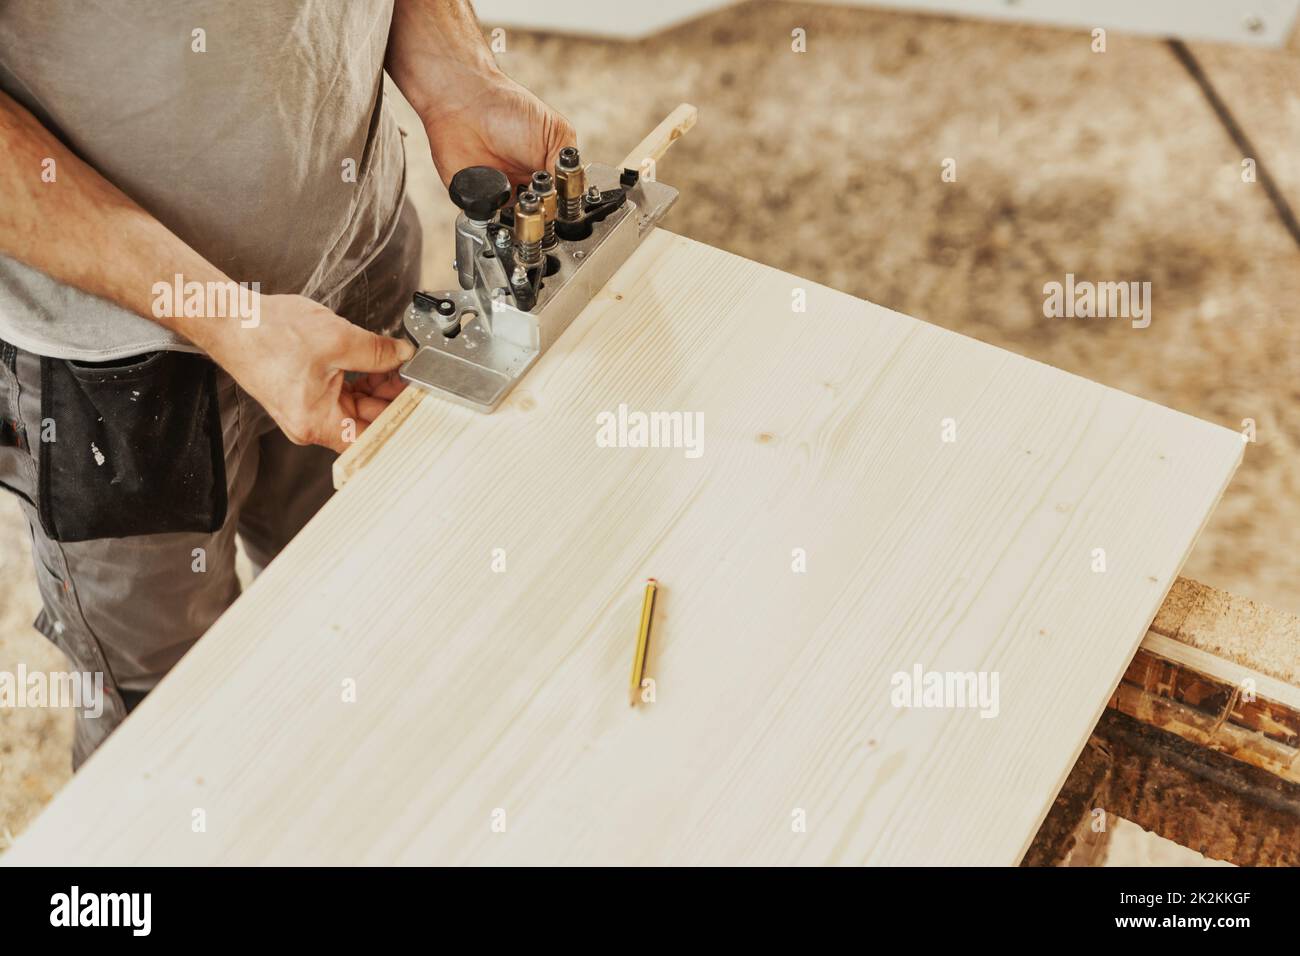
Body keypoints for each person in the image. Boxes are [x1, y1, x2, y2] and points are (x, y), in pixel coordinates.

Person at [0, 1, 576, 766]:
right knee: (167, 729)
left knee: (360, 593)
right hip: (116, 375)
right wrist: (224, 317)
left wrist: (454, 73)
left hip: (359, 248)